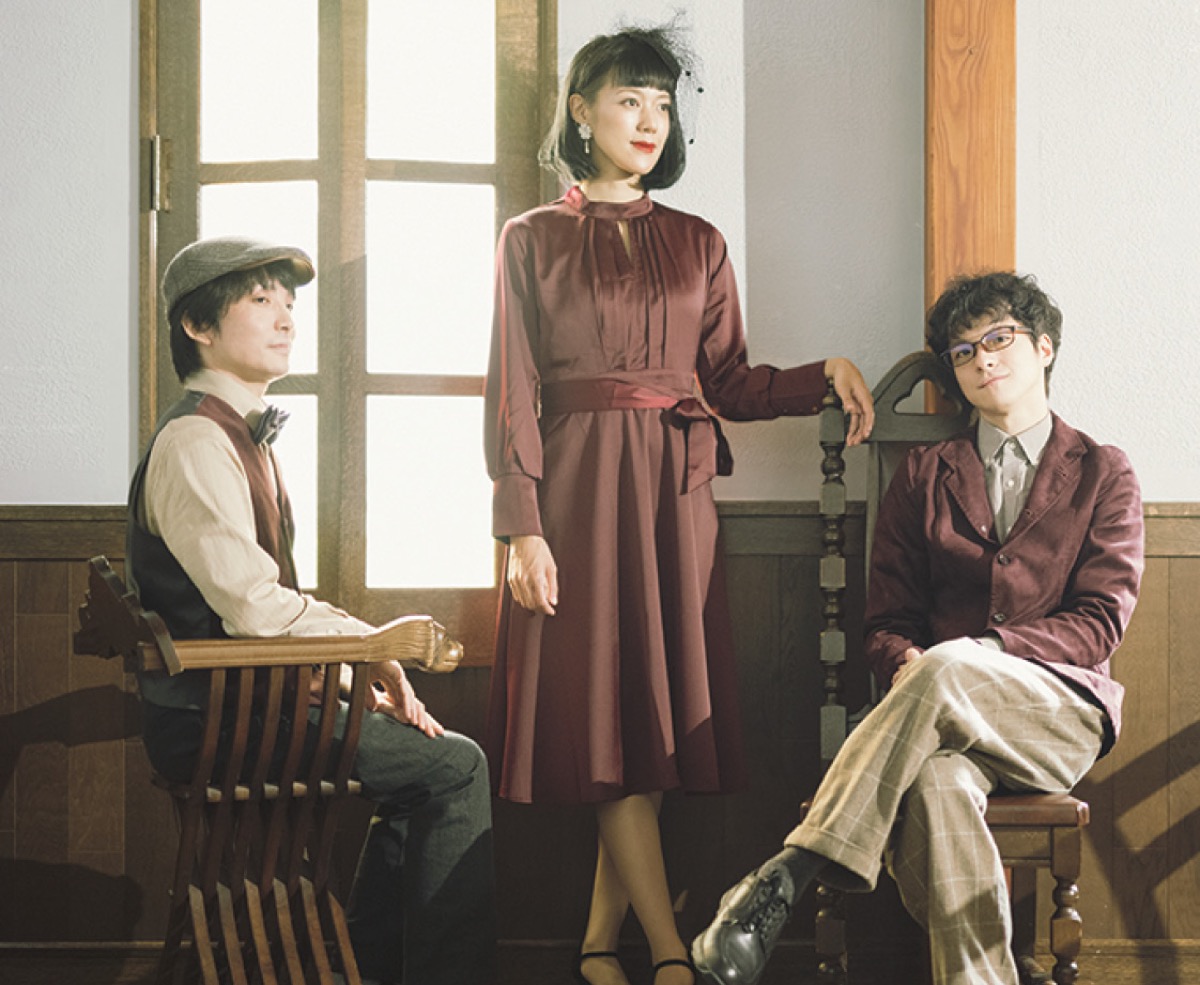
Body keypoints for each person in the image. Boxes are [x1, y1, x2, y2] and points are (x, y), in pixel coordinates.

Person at [483, 26, 875, 985]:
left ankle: (595, 946)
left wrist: (821, 374)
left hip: (675, 496)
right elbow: (511, 390)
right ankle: (670, 952)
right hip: (575, 494)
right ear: (581, 111)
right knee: (603, 722)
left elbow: (729, 381)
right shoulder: (529, 239)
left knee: (650, 728)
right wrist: (522, 524)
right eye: (629, 100)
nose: (649, 120)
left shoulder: (700, 242)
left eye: (662, 104)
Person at [691, 271, 1145, 985]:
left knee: (949, 663)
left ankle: (792, 866)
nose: (982, 359)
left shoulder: (1104, 472)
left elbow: (1099, 623)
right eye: (963, 352)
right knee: (937, 784)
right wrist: (908, 660)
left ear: (1044, 347)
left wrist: (974, 655)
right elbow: (887, 623)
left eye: (999, 339)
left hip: (1055, 717)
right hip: (934, 723)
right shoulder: (925, 474)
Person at [127, 235, 495, 985]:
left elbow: (263, 603)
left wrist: (364, 660)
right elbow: (254, 611)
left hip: (250, 704)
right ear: (197, 325)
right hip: (219, 718)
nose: (286, 318)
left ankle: (369, 965)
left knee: (432, 768)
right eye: (261, 299)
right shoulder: (196, 440)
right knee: (456, 767)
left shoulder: (235, 433)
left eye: (290, 303)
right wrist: (371, 648)